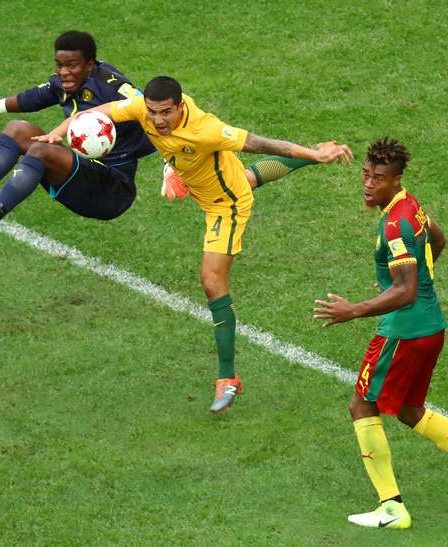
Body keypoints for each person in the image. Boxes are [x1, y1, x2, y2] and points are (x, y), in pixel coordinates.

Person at [35, 76, 353, 413]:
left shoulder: (207, 130)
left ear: (181, 106)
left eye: (166, 113)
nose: (158, 120)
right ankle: (313, 154)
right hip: (208, 179)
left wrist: (311, 155)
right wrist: (59, 131)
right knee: (244, 177)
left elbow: (262, 143)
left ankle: (228, 378)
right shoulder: (143, 108)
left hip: (225, 207)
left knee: (212, 281)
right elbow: (98, 112)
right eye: (154, 112)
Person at [313, 138, 448, 529]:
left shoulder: (394, 224)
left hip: (402, 332)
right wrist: (408, 283)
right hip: (431, 327)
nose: (369, 184)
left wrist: (353, 310)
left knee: (362, 406)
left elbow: (405, 291)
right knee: (408, 410)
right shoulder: (409, 205)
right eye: (366, 175)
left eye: (379, 178)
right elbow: (438, 240)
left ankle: (391, 507)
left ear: (396, 180)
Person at [0, 30, 156, 248]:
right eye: (60, 65)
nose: (64, 72)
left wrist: (171, 163)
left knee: (42, 151)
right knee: (18, 129)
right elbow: (32, 98)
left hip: (112, 191)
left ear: (90, 64)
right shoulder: (64, 83)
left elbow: (156, 119)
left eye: (72, 65)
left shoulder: (114, 88)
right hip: (84, 174)